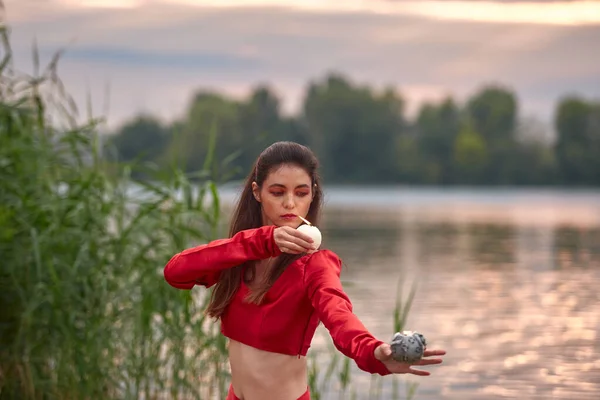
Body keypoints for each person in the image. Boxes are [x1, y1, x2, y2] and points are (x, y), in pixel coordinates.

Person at [163, 141, 446, 400]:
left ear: (312, 196)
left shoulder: (314, 264)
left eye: (301, 193)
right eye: (277, 192)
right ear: (256, 192)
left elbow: (340, 317)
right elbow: (175, 272)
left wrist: (373, 352)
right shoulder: (241, 254)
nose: (290, 203)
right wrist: (260, 242)